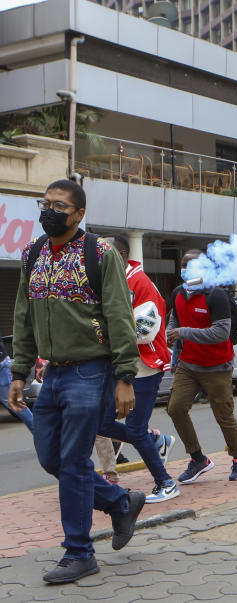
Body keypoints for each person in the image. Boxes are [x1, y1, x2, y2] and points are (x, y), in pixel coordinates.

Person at [8, 179, 146, 583]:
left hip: (91, 371)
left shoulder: (99, 253)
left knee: (72, 462)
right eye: (45, 203)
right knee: (52, 459)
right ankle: (121, 501)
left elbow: (121, 316)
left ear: (79, 213)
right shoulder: (32, 253)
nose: (49, 211)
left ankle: (79, 552)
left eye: (59, 206)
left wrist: (125, 376)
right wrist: (19, 371)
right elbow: (23, 315)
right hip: (52, 373)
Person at [98, 235, 179, 504]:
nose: (97, 257)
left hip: (144, 367)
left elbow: (144, 330)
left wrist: (102, 334)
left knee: (133, 430)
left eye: (103, 252)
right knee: (102, 423)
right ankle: (155, 440)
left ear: (120, 254)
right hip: (121, 366)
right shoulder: (111, 280)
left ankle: (166, 483)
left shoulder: (140, 282)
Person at [166, 250, 237, 483]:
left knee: (223, 415)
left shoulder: (216, 296)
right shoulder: (178, 293)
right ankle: (198, 459)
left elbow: (221, 333)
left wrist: (183, 333)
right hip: (188, 364)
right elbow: (175, 319)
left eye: (190, 265)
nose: (184, 269)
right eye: (183, 264)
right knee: (175, 408)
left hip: (217, 366)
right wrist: (170, 335)